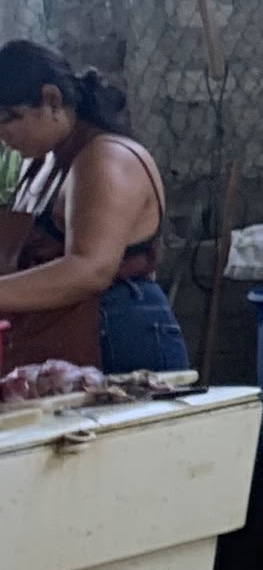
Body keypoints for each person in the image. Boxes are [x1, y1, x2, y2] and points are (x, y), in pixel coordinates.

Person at [0, 40, 189, 375]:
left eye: (7, 118)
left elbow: (91, 269)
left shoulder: (105, 158)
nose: (2, 134)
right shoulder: (41, 164)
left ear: (51, 100)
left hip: (118, 340)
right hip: (57, 346)